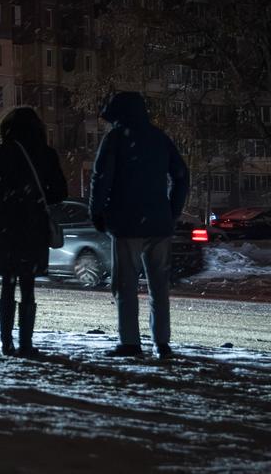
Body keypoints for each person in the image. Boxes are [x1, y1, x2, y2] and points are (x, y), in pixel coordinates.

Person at [89, 91, 189, 359]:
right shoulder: (159, 138)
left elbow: (101, 178)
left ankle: (130, 342)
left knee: (125, 285)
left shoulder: (115, 139)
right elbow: (181, 176)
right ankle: (162, 342)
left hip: (126, 224)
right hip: (159, 223)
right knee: (159, 286)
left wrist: (97, 211)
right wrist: (171, 211)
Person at [0, 107, 68, 357]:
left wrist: (8, 191)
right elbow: (60, 192)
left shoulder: (4, 151)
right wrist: (35, 196)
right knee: (28, 283)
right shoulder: (46, 153)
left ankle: (6, 343)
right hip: (34, 225)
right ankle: (26, 343)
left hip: (7, 224)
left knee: (8, 282)